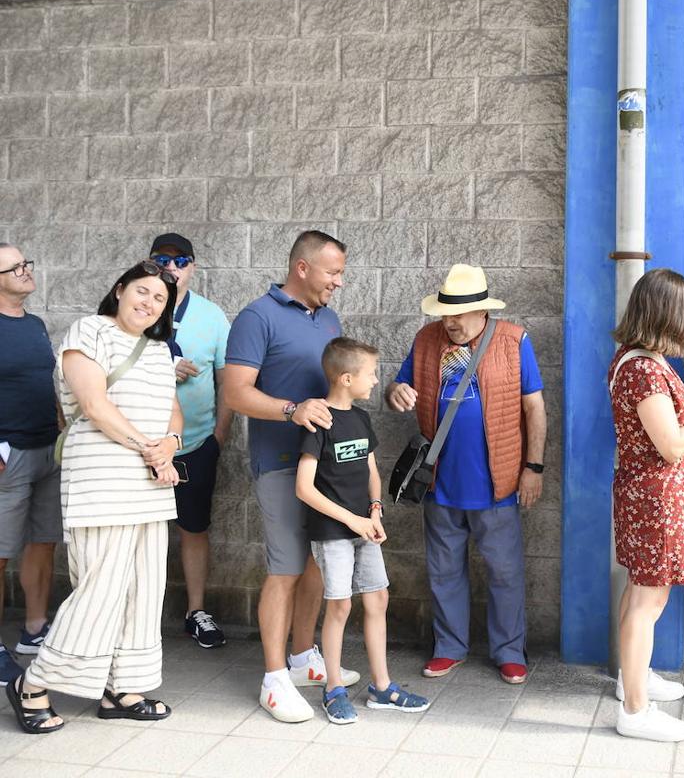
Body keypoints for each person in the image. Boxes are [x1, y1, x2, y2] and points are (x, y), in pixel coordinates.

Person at [7, 261, 182, 734]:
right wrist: (151, 450)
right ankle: (33, 685)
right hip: (101, 476)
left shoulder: (159, 348)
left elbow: (173, 413)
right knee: (100, 586)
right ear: (120, 289)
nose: (149, 303)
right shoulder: (89, 330)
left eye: (160, 299)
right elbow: (94, 405)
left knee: (143, 586)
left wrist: (169, 444)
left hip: (151, 481)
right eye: (141, 292)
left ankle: (122, 688)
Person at [386, 264, 546, 686]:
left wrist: (534, 466)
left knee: (505, 572)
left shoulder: (513, 340)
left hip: (498, 481)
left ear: (482, 311)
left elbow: (535, 408)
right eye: (444, 314)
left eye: (457, 315)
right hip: (438, 480)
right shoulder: (426, 340)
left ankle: (509, 652)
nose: (449, 322)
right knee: (443, 571)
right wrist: (395, 391)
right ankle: (449, 647)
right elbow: (397, 387)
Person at [224, 230, 359, 723]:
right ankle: (274, 678)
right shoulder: (256, 317)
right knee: (284, 569)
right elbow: (236, 393)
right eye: (332, 272)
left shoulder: (328, 318)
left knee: (317, 565)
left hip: (325, 469)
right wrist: (290, 409)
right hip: (280, 465)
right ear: (302, 267)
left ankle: (304, 657)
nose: (339, 282)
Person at [609, 268, 684, 742]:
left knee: (640, 591)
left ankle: (630, 679)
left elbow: (659, 424)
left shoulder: (637, 360)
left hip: (648, 496)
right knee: (648, 599)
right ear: (667, 313)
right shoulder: (643, 369)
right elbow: (673, 446)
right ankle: (635, 712)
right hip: (656, 500)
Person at [296, 338, 430, 724]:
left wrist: (374, 511)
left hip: (364, 527)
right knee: (340, 604)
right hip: (332, 531)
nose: (376, 381)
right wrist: (351, 520)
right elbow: (303, 488)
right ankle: (333, 687)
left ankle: (382, 687)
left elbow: (371, 471)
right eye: (371, 374)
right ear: (346, 377)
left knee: (378, 601)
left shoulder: (362, 418)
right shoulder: (319, 422)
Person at [148, 233, 233, 649]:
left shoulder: (212, 316)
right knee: (141, 532)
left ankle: (196, 611)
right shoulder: (138, 306)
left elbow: (227, 381)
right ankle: (140, 614)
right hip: (142, 443)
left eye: (180, 260)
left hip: (196, 442)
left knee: (194, 528)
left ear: (193, 267)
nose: (171, 267)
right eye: (162, 259)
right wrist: (163, 366)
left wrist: (218, 437)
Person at [0, 245, 60, 686]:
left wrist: (62, 430)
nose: (25, 271)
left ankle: (34, 631)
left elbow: (48, 384)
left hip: (47, 449)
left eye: (26, 263)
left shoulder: (36, 325)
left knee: (43, 542)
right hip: (8, 454)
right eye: (15, 267)